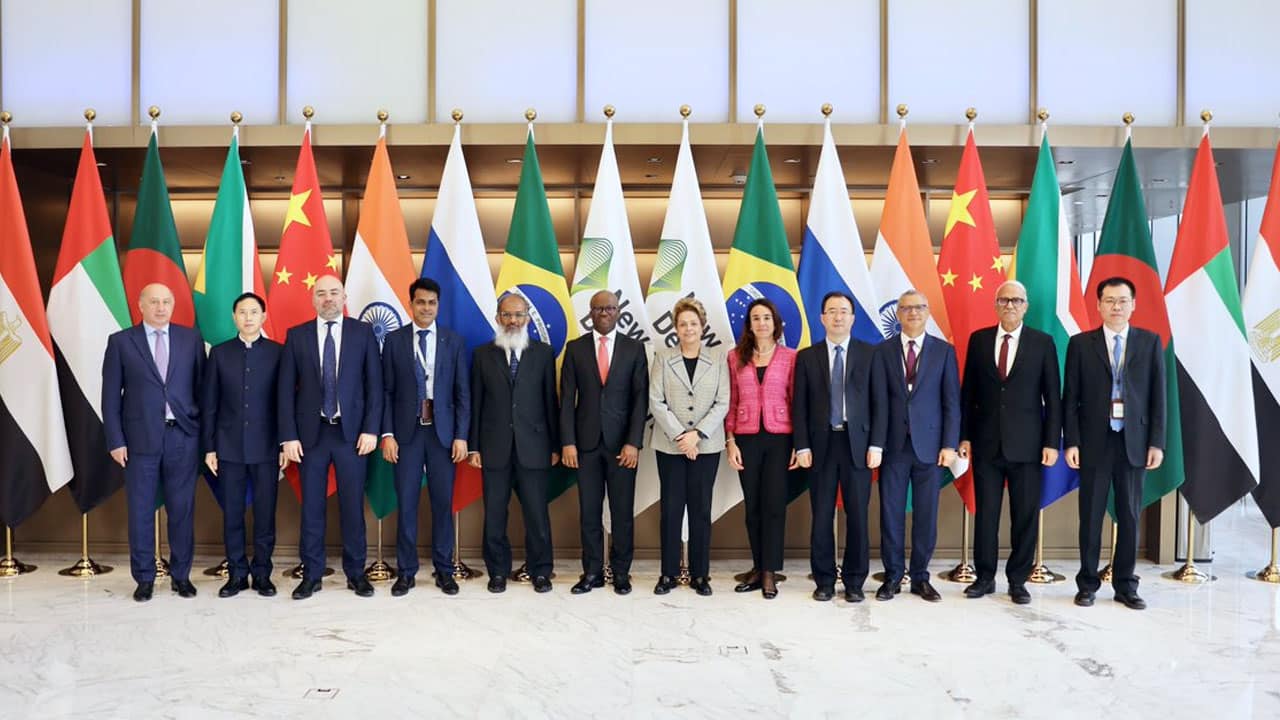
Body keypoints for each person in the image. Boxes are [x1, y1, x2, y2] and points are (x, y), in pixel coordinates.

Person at [957, 280, 1062, 605]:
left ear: (1026, 306)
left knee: (1024, 517)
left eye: (1016, 300)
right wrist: (964, 436)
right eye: (1004, 300)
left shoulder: (1042, 343)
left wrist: (1051, 442)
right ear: (995, 305)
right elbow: (968, 394)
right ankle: (985, 577)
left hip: (1028, 447)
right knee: (986, 516)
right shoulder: (979, 340)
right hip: (986, 444)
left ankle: (1018, 581)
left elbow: (1053, 397)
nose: (1010, 305)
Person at [279, 275, 383, 600]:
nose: (328, 299)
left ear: (344, 297)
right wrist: (288, 436)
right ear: (313, 299)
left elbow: (375, 386)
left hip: (351, 436)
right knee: (311, 508)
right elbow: (285, 391)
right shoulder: (296, 336)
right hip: (311, 436)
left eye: (334, 293)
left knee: (352, 508)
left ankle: (356, 574)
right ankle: (311, 575)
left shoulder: (362, 333)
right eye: (321, 293)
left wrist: (371, 429)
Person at [1064, 276, 1165, 611]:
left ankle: (1125, 585)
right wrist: (1072, 441)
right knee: (1090, 516)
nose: (1116, 307)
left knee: (1130, 516)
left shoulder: (1149, 342)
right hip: (1094, 441)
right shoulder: (1081, 344)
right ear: (1099, 305)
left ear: (1133, 305)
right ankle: (1087, 584)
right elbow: (1070, 398)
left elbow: (1158, 397)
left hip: (1134, 441)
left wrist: (1156, 443)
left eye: (1122, 300)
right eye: (1109, 300)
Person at [102, 283, 204, 602]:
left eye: (166, 302)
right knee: (141, 511)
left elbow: (202, 390)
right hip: (138, 441)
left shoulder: (190, 339)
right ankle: (144, 577)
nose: (161, 308)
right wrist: (116, 440)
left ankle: (181, 576)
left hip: (182, 437)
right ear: (141, 305)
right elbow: (110, 397)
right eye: (154, 302)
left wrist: (201, 436)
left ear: (173, 305)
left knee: (182, 510)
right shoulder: (121, 342)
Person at [380, 277, 470, 597]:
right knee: (406, 504)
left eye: (432, 303)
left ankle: (444, 570)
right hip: (406, 434)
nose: (427, 308)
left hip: (442, 436)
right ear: (411, 304)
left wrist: (461, 436)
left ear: (438, 305)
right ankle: (406, 572)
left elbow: (462, 393)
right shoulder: (394, 341)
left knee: (442, 504)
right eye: (421, 302)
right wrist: (387, 434)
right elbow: (386, 392)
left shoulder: (453, 341)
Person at [871, 289, 960, 603]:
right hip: (893, 446)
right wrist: (876, 444)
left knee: (926, 515)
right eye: (907, 308)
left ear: (927, 311)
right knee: (890, 515)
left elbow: (952, 402)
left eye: (919, 307)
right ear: (898, 313)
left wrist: (949, 444)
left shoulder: (943, 352)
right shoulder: (881, 351)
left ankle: (921, 577)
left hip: (930, 448)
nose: (913, 313)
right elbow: (877, 402)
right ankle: (893, 576)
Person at [468, 292, 560, 594]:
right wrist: (474, 446)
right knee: (495, 515)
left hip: (534, 447)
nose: (513, 320)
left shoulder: (543, 354)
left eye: (519, 315)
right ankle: (497, 571)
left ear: (528, 319)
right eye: (507, 315)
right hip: (494, 448)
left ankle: (540, 571)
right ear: (498, 318)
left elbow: (550, 402)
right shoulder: (482, 355)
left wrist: (555, 446)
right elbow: (476, 404)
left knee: (536, 514)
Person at [792, 291, 881, 603]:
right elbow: (799, 406)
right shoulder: (807, 357)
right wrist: (802, 446)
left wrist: (877, 444)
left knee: (857, 516)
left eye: (843, 311)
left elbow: (879, 403)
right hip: (821, 445)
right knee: (821, 516)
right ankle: (824, 580)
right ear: (822, 318)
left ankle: (855, 581)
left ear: (852, 318)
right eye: (832, 311)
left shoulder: (870, 354)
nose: (838, 316)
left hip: (858, 446)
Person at [560, 290, 649, 596]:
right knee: (589, 513)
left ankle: (621, 573)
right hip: (585, 446)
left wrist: (633, 442)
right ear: (591, 312)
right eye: (599, 308)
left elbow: (640, 399)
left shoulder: (634, 348)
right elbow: (566, 400)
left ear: (618, 311)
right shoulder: (575, 349)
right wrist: (568, 442)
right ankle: (592, 572)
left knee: (622, 513)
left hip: (622, 446)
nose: (604, 313)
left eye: (610, 308)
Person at [201, 292, 285, 598]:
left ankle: (262, 573)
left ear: (263, 317)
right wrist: (209, 447)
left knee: (265, 514)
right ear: (234, 317)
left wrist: (284, 444)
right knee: (232, 514)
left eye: (254, 312)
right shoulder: (220, 353)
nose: (248, 318)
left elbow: (284, 403)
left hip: (267, 447)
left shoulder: (278, 352)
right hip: (228, 447)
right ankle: (236, 574)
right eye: (242, 312)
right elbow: (210, 404)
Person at [649, 298, 730, 597]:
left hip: (706, 447)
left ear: (702, 326)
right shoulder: (663, 357)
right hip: (670, 447)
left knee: (700, 510)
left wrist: (697, 435)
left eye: (693, 323)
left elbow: (723, 401)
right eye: (682, 324)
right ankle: (668, 573)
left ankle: (700, 574)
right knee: (671, 511)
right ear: (676, 328)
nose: (688, 328)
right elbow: (656, 400)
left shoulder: (718, 358)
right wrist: (682, 435)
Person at [725, 298, 797, 600]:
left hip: (780, 439)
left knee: (774, 506)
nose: (762, 323)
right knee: (753, 506)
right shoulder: (735, 357)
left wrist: (798, 444)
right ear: (749, 324)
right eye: (756, 318)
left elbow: (796, 401)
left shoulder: (790, 357)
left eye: (767, 317)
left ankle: (770, 571)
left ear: (775, 323)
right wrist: (730, 441)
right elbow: (731, 401)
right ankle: (757, 566)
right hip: (746, 438)